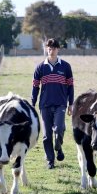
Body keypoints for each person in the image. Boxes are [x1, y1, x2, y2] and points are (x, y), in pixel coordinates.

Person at [31, 38, 74, 169]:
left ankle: (58, 147)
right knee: (46, 136)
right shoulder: (40, 67)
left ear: (58, 49)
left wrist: (71, 104)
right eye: (49, 48)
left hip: (61, 104)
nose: (51, 50)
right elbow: (35, 86)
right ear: (46, 49)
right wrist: (32, 103)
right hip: (44, 105)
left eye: (54, 48)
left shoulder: (66, 66)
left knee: (59, 129)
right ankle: (50, 161)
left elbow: (70, 86)